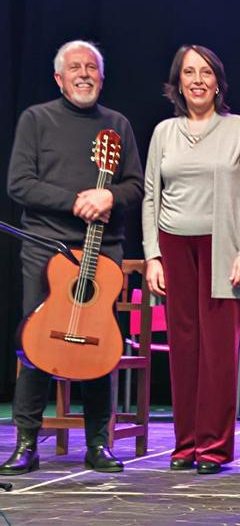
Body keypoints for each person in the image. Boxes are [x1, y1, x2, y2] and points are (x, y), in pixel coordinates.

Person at [1, 40, 143, 475]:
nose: (84, 74)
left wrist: (109, 195)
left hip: (103, 253)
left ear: (102, 77)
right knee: (37, 344)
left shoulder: (116, 124)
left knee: (99, 345)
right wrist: (76, 200)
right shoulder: (36, 119)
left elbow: (136, 186)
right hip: (47, 251)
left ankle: (99, 442)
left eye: (92, 68)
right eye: (75, 68)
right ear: (58, 78)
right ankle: (26, 442)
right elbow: (19, 184)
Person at [142, 44, 240, 475]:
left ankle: (213, 447)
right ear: (178, 82)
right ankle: (186, 442)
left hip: (223, 248)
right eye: (189, 72)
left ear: (217, 82)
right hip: (174, 246)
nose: (197, 80)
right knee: (183, 349)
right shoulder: (163, 133)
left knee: (218, 352)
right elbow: (151, 197)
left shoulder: (239, 129)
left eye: (206, 72)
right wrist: (153, 255)